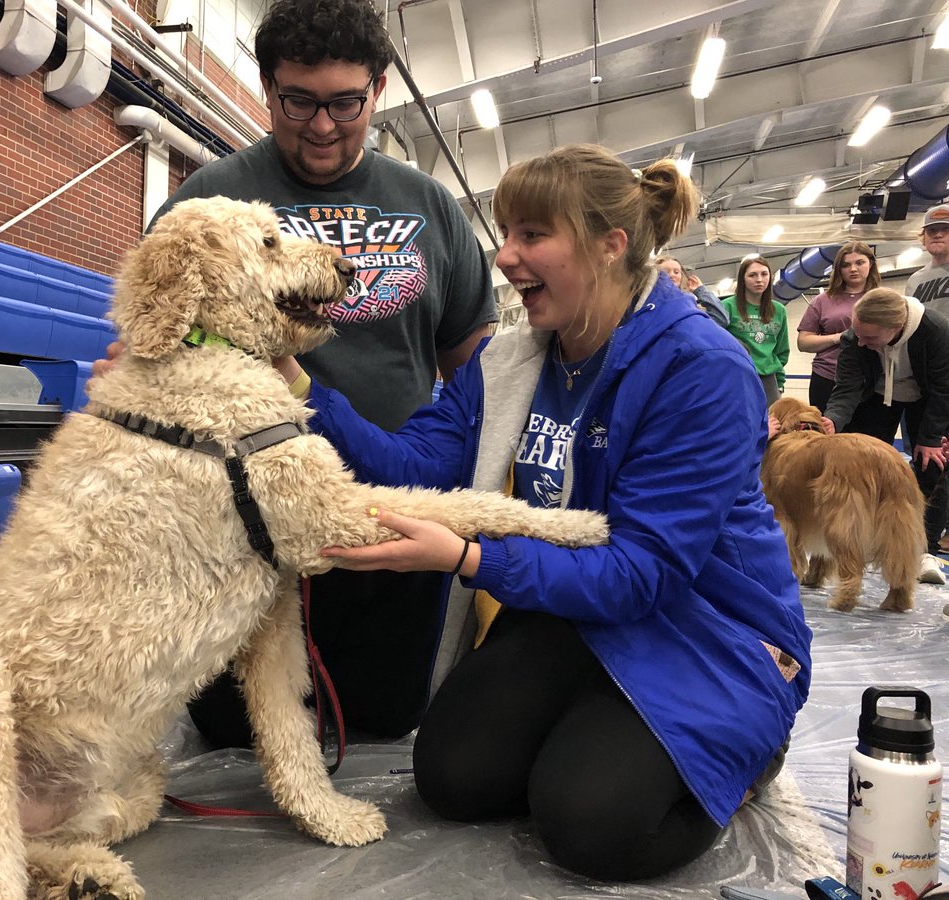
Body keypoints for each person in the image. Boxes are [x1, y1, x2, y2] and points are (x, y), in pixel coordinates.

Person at [275, 145, 811, 881]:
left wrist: (467, 559)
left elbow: (642, 574)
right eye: (505, 233)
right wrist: (295, 382)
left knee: (592, 826)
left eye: (531, 235)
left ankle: (750, 748)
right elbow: (416, 468)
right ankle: (603, 727)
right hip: (573, 614)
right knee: (452, 777)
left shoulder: (700, 369)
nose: (504, 257)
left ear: (609, 245)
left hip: (703, 627)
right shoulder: (511, 360)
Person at [143, 0, 498, 744]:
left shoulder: (429, 205)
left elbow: (479, 377)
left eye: (345, 102)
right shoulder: (206, 200)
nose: (323, 125)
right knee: (235, 730)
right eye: (297, 101)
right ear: (267, 87)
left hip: (387, 521)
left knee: (384, 719)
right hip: (242, 530)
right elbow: (148, 351)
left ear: (379, 90)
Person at [823, 287, 949, 586]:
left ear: (896, 328)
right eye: (858, 336)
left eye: (870, 339)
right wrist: (832, 420)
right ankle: (865, 539)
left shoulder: (937, 332)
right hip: (877, 396)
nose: (861, 343)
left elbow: (944, 390)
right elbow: (847, 386)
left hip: (929, 399)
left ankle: (924, 549)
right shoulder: (856, 336)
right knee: (859, 464)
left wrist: (930, 438)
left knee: (933, 465)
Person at [796, 241, 880, 412]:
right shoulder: (822, 301)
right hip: (827, 378)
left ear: (870, 264)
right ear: (838, 269)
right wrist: (839, 337)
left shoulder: (882, 299)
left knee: (869, 437)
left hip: (872, 378)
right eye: (846, 265)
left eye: (859, 263)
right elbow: (803, 342)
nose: (853, 269)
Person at [722, 256, 789, 406]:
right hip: (738, 376)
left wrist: (779, 382)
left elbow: (781, 351)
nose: (759, 279)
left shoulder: (778, 310)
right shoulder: (727, 307)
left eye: (764, 274)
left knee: (771, 424)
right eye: (752, 275)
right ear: (743, 279)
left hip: (768, 378)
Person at [653, 254, 729, 326]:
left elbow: (720, 319)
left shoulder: (688, 304)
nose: (672, 275)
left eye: (676, 272)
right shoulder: (650, 305)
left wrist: (700, 290)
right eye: (665, 272)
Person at [907, 203, 949, 314]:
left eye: (946, 229)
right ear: (924, 237)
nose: (938, 235)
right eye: (932, 230)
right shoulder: (914, 280)